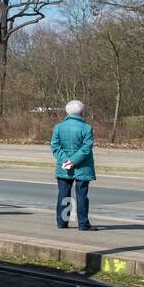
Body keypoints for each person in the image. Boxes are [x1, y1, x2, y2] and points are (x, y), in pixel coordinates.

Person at [52, 99, 97, 231]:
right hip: (83, 167)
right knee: (82, 195)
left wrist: (66, 160)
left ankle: (62, 222)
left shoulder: (59, 127)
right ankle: (83, 224)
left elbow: (55, 146)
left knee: (63, 194)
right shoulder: (87, 128)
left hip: (64, 166)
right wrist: (74, 161)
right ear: (81, 112)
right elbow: (86, 148)